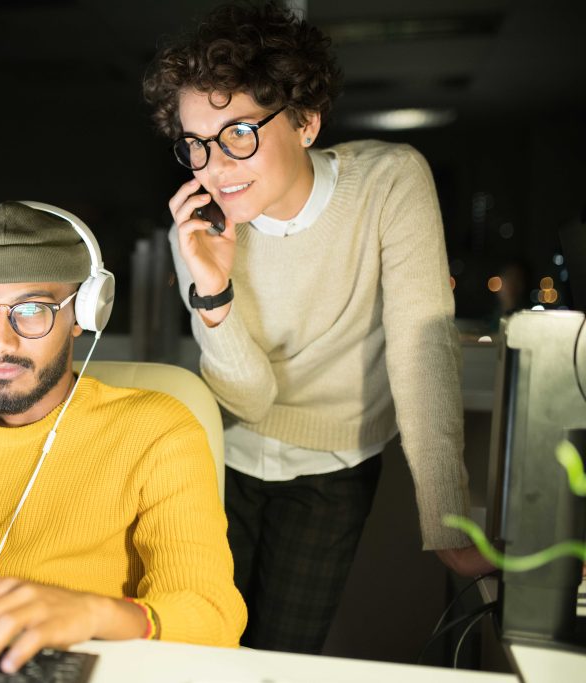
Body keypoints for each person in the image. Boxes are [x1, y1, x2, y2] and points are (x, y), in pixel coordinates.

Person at [142, 1, 493, 654]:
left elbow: (423, 347)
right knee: (197, 650)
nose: (214, 167)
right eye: (196, 143)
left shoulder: (390, 182)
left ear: (305, 121)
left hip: (335, 468)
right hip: (220, 456)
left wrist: (446, 521)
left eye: (239, 132)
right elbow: (247, 399)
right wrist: (212, 290)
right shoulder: (197, 231)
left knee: (279, 657)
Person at [0, 200, 247, 673]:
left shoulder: (157, 430)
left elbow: (211, 617)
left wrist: (89, 613)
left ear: (85, 310)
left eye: (32, 310)